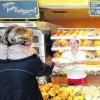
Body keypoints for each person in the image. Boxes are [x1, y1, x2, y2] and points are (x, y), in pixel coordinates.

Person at [0, 25, 54, 100]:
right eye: (31, 39)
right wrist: (50, 62)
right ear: (26, 41)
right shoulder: (31, 58)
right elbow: (44, 71)